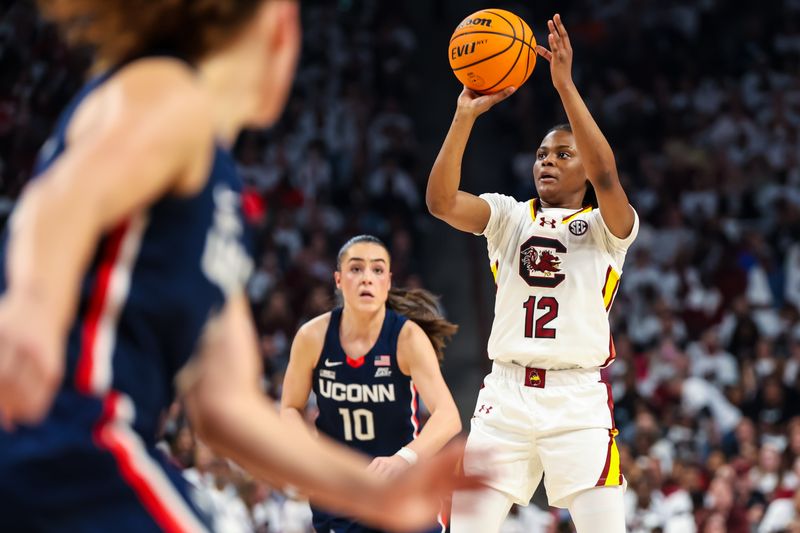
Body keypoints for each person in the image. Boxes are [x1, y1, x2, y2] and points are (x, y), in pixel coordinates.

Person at [0, 2, 482, 531]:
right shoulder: (168, 89)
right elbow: (61, 199)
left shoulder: (220, 187)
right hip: (61, 431)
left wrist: (377, 494)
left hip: (66, 449)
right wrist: (32, 308)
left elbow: (226, 407)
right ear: (281, 24)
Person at [426, 14, 638, 533]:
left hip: (577, 398)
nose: (548, 162)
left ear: (584, 169)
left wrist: (564, 85)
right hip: (506, 396)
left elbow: (607, 172)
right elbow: (440, 202)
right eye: (542, 154)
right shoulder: (508, 216)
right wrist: (463, 117)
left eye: (564, 155)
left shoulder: (609, 227)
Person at [281, 234, 462, 533]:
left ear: (388, 281)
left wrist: (402, 459)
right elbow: (289, 407)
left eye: (377, 270)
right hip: (338, 490)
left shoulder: (407, 338)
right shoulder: (311, 337)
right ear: (338, 279)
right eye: (356, 269)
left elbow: (448, 416)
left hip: (399, 485)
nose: (367, 278)